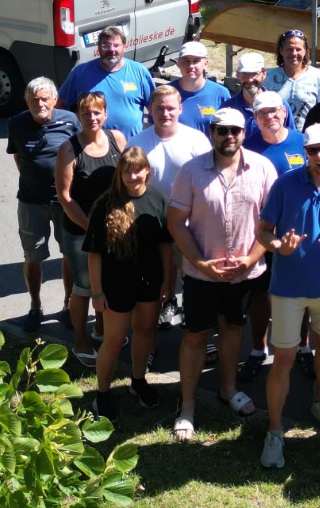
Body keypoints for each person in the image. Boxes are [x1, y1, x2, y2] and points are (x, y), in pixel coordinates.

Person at [166, 107, 278, 441]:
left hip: (245, 273)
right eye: (222, 130)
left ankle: (227, 389)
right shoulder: (191, 171)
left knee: (233, 329)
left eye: (235, 130)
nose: (229, 136)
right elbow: (176, 223)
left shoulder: (262, 167)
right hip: (201, 275)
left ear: (244, 133)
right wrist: (200, 263)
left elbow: (272, 222)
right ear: (211, 132)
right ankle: (187, 406)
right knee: (195, 336)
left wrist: (250, 260)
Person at [255, 123, 320, 468]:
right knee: (283, 359)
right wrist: (278, 247)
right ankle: (275, 431)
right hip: (287, 289)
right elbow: (263, 231)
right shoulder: (285, 184)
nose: (319, 155)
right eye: (313, 150)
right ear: (305, 153)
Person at [85, 147, 169, 419]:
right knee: (113, 340)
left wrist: (168, 281)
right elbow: (94, 253)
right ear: (119, 174)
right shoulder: (106, 204)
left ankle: (138, 381)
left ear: (147, 171)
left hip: (149, 283)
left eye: (137, 170)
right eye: (126, 171)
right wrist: (97, 292)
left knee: (144, 332)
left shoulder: (157, 199)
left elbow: (165, 246)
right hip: (116, 285)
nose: (132, 176)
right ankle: (102, 394)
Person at [129, 84, 211, 329]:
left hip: (189, 224)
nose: (165, 113)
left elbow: (209, 183)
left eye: (170, 108)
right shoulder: (137, 143)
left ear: (180, 109)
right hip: (149, 224)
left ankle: (193, 317)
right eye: (159, 108)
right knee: (157, 275)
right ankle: (163, 309)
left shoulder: (197, 140)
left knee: (192, 276)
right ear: (150, 109)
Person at [54, 93, 127, 365]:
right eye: (86, 113)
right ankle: (81, 341)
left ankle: (101, 329)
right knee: (84, 287)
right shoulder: (69, 149)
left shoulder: (117, 139)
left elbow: (126, 181)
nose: (92, 118)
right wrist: (91, 228)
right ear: (78, 116)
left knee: (105, 282)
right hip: (80, 232)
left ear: (105, 114)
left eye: (97, 112)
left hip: (113, 230)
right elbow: (65, 197)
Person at [5, 76, 78, 332]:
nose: (40, 104)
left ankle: (68, 304)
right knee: (32, 256)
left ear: (54, 100)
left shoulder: (70, 121)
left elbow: (80, 155)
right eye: (34, 100)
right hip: (30, 202)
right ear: (27, 101)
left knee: (69, 253)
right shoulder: (16, 123)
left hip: (64, 202)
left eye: (45, 99)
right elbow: (18, 156)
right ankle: (35, 306)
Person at [57, 25, 154, 141]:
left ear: (124, 47)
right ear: (98, 48)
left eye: (116, 45)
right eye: (106, 45)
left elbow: (155, 107)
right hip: (92, 146)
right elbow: (59, 104)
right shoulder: (80, 73)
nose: (111, 50)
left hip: (131, 146)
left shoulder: (139, 71)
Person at [263, 27, 320, 130]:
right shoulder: (269, 77)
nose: (294, 53)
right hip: (276, 136)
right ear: (281, 50)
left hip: (307, 137)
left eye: (298, 49)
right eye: (289, 49)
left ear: (305, 51)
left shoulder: (316, 76)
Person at [172, 40, 231, 132]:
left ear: (205, 64)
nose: (190, 66)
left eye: (196, 61)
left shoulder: (220, 93)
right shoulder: (167, 93)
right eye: (186, 61)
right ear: (178, 63)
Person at [247, 90, 308, 175]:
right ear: (255, 117)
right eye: (262, 113)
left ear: (284, 112)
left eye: (273, 110)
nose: (269, 116)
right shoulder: (247, 149)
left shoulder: (303, 142)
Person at [222, 51, 269, 141]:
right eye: (245, 74)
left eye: (254, 73)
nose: (250, 79)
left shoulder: (278, 106)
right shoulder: (228, 108)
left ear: (264, 73)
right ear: (237, 75)